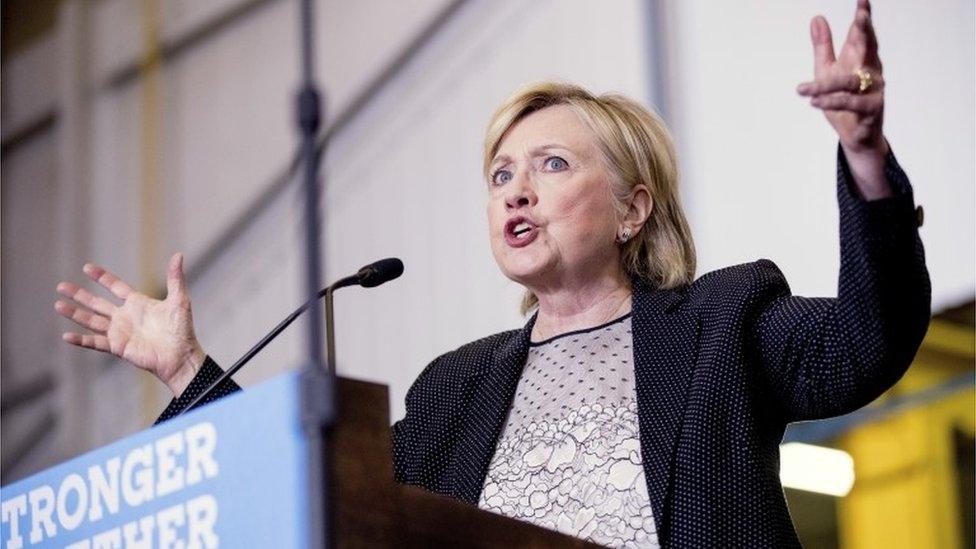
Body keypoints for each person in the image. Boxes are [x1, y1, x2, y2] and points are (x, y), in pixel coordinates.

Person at [54, 1, 929, 546]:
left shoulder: (723, 322)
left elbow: (869, 342)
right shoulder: (456, 390)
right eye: (500, 175)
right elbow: (321, 503)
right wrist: (185, 370)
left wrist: (865, 157)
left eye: (550, 165)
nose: (515, 191)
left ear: (632, 208)